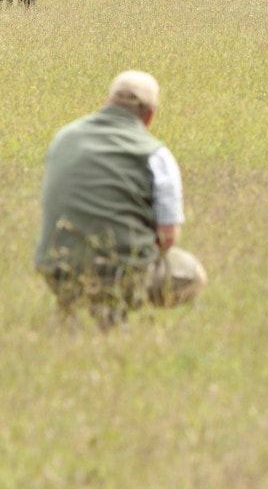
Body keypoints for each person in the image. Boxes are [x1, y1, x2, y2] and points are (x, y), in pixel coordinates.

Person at [35, 70, 207, 329]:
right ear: (150, 116)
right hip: (120, 274)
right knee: (192, 274)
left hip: (55, 269)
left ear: (108, 103)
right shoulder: (156, 156)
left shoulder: (64, 138)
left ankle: (70, 316)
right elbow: (167, 236)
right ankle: (116, 317)